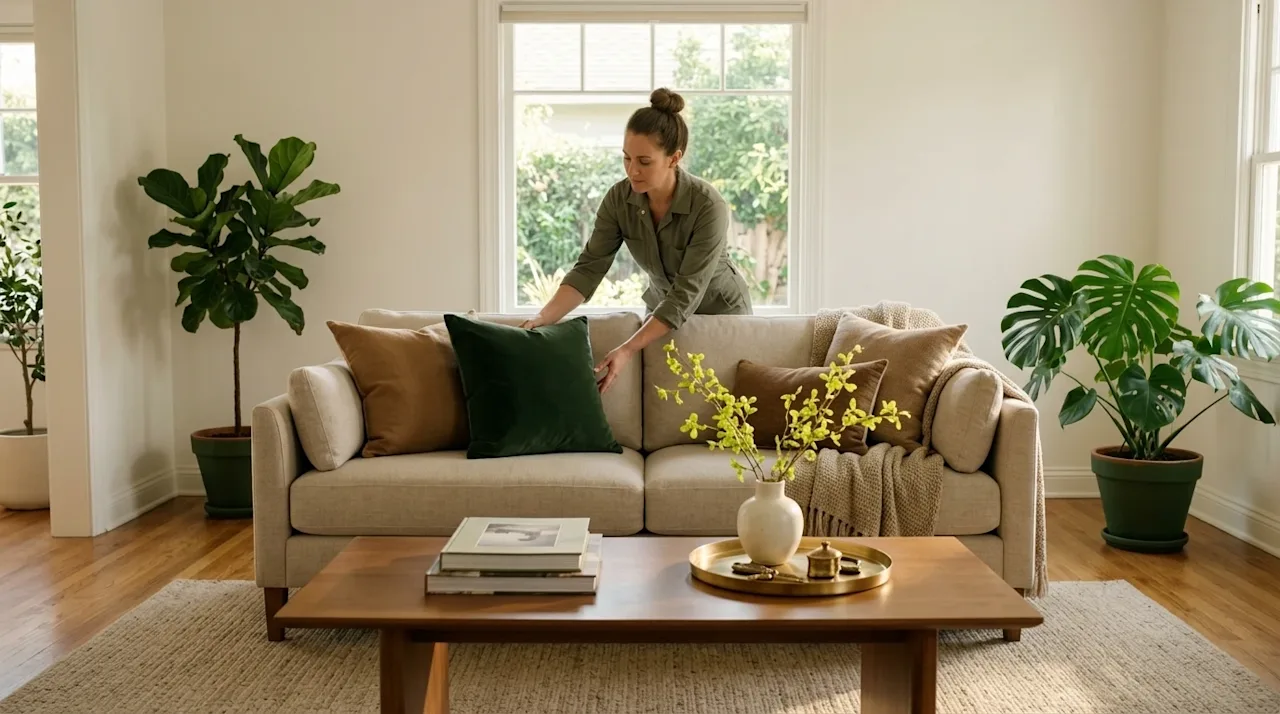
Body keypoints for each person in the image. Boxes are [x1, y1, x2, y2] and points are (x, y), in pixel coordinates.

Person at [520, 88, 753, 393]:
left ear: (674, 158)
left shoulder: (708, 206)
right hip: (660, 316)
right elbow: (590, 268)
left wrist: (628, 348)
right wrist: (542, 318)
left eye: (644, 161)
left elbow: (686, 293)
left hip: (720, 316)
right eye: (626, 158)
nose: (632, 170)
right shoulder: (619, 199)